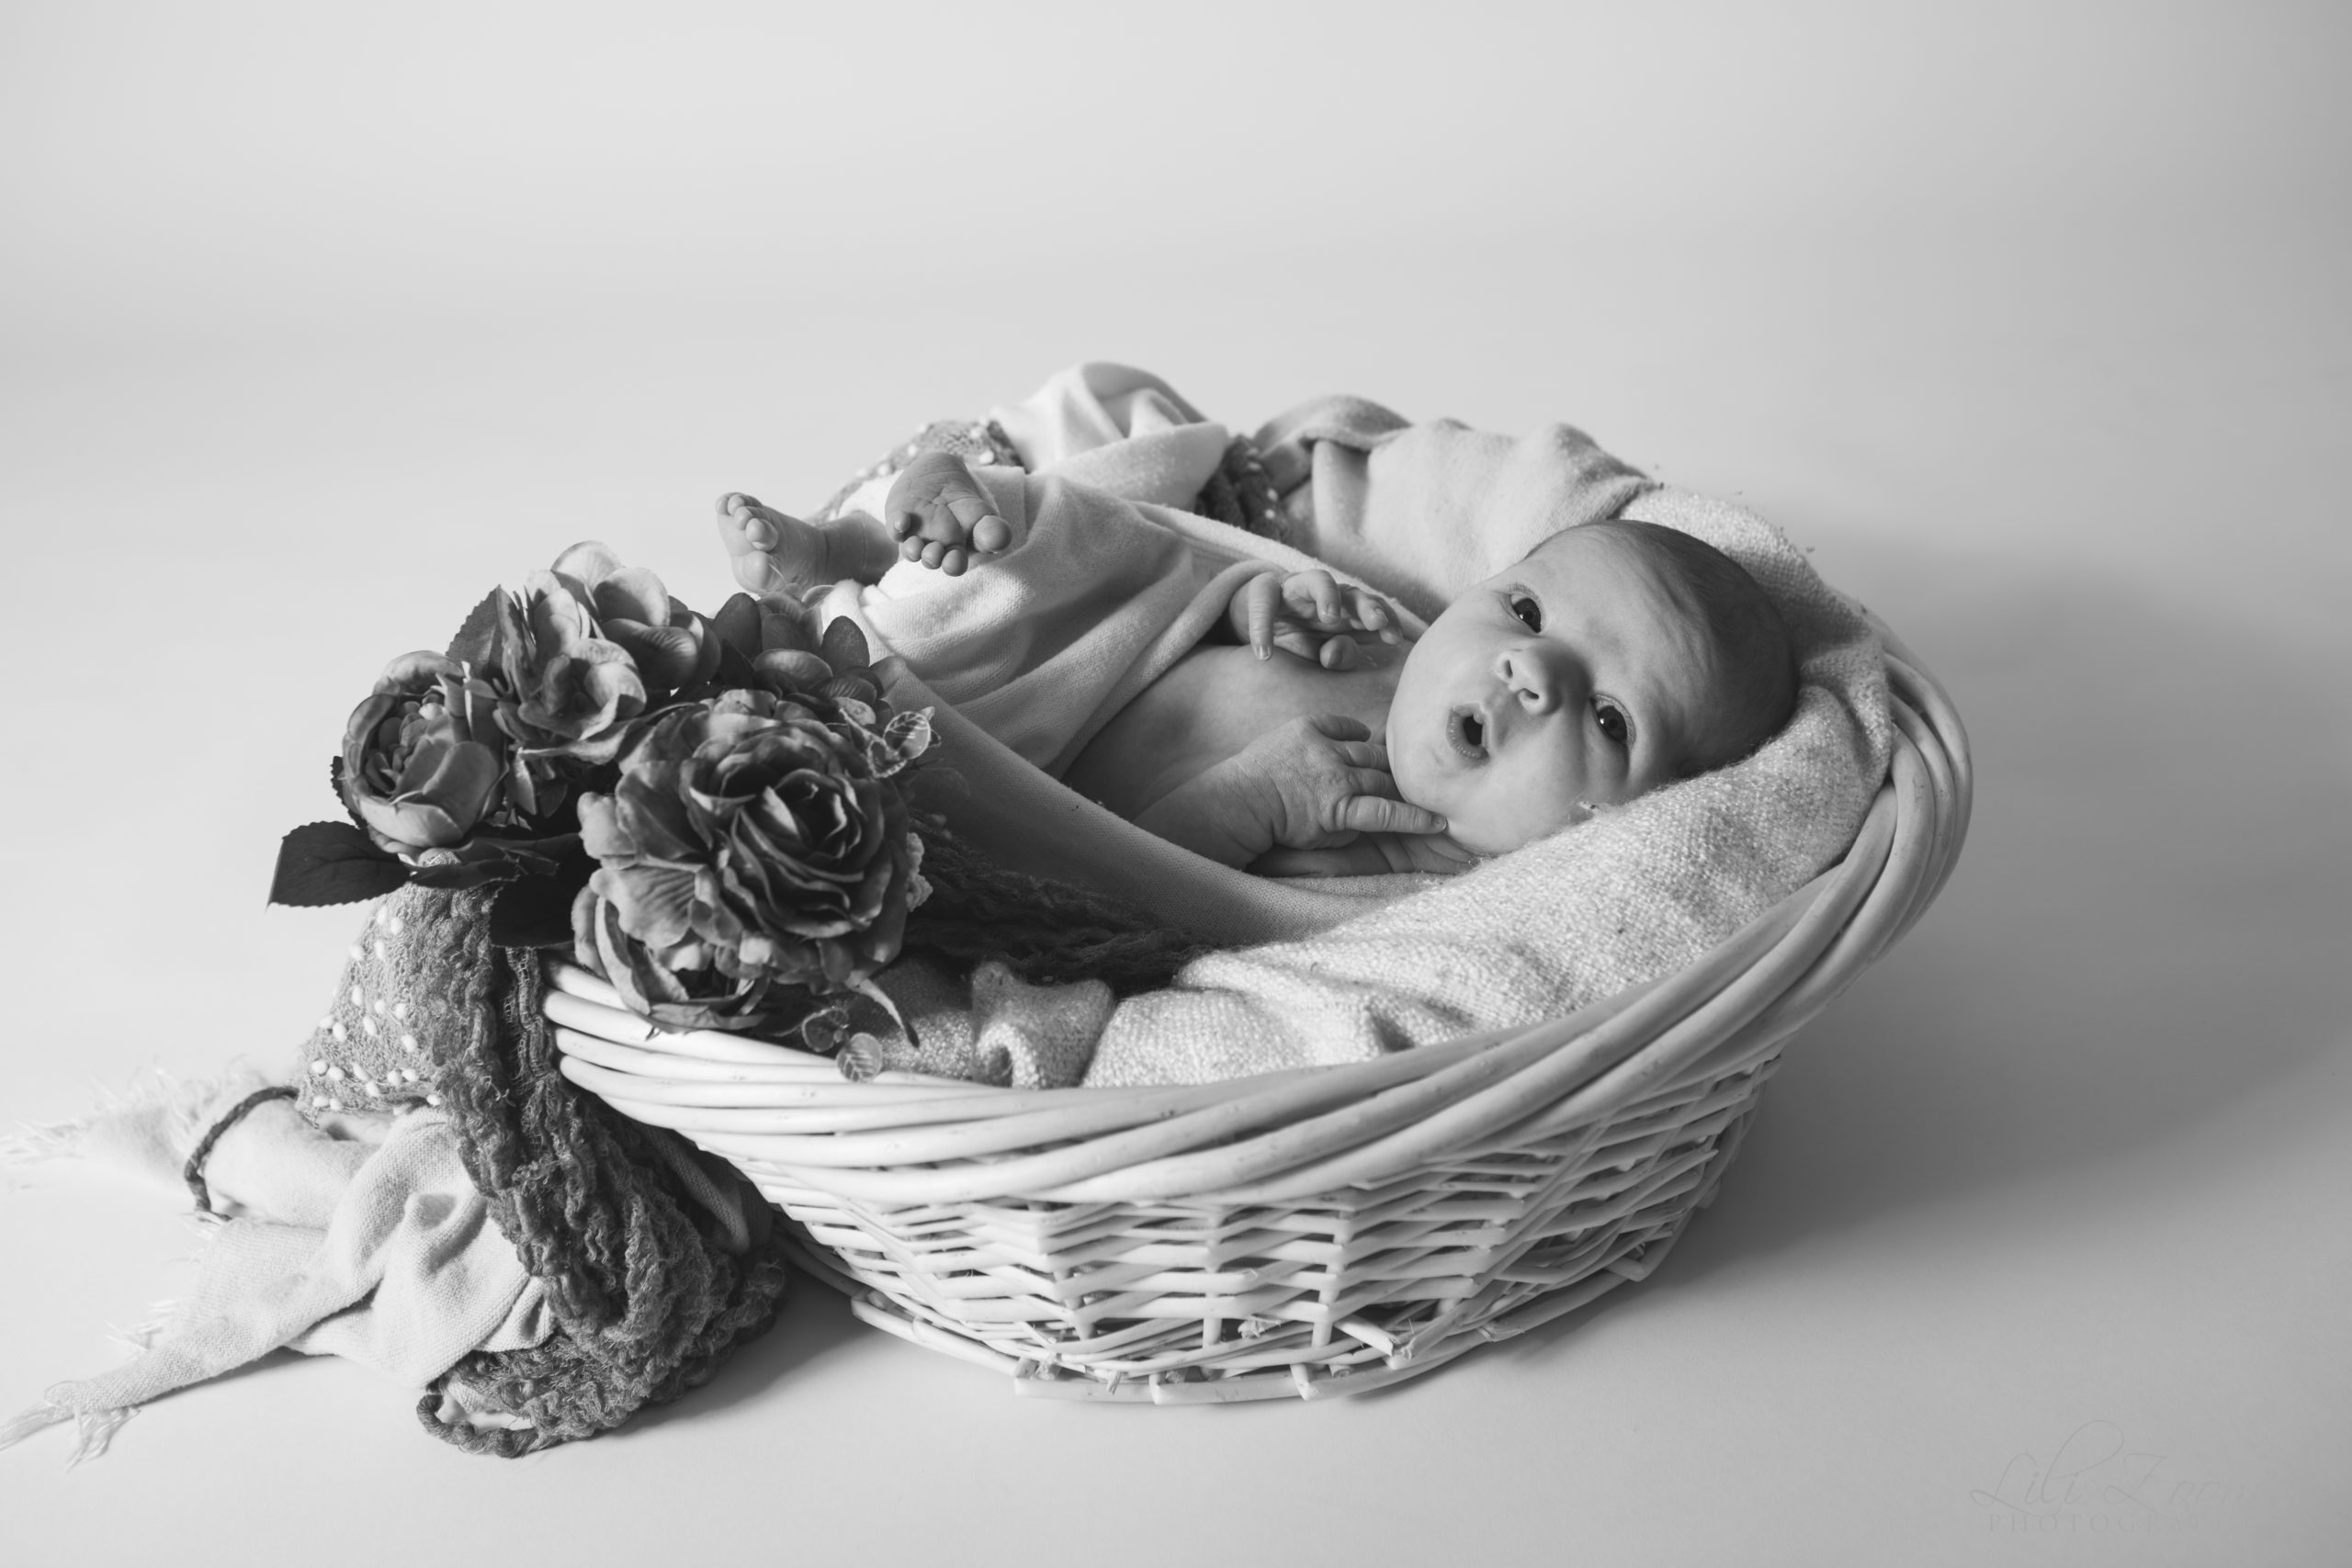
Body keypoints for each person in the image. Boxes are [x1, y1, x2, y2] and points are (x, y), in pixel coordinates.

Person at [717, 448, 1796, 876]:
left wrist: (1250, 806)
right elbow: (1190, 595)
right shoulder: (1404, 652)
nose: (1531, 672)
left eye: (1608, 719)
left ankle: (846, 596)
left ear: (1629, 824)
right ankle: (876, 543)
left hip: (1005, 792)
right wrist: (1256, 601)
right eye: (1522, 610)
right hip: (1087, 662)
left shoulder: (1411, 880)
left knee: (864, 745)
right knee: (1070, 552)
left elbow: (1144, 907)